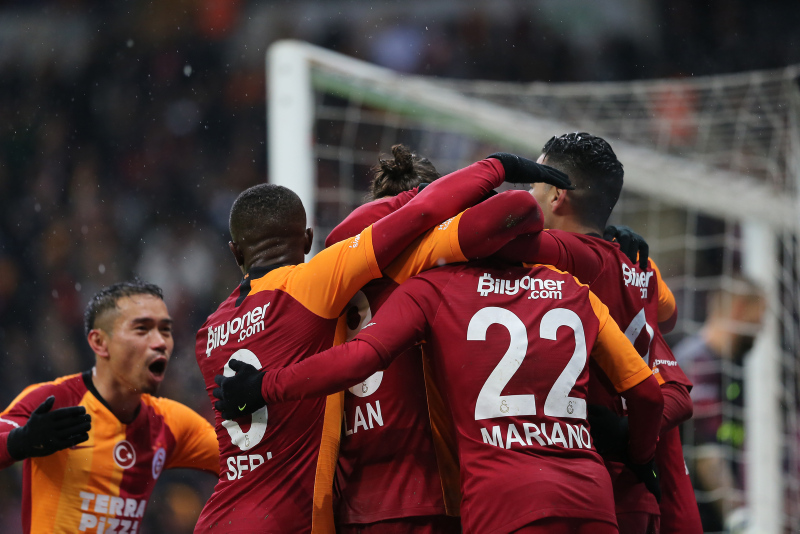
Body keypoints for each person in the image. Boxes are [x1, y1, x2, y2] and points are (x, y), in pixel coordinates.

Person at [194, 154, 571, 533]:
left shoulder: (208, 333)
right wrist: (488, 170)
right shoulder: (320, 282)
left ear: (235, 251)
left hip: (250, 511)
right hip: (406, 496)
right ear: (307, 240)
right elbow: (480, 212)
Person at [217, 251, 665, 534]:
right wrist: (640, 454)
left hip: (502, 499)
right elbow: (649, 394)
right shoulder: (572, 287)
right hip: (591, 496)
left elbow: (359, 358)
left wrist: (265, 386)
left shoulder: (436, 286)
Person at [489, 132, 700, 533]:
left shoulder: (562, 256)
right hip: (631, 497)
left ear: (557, 195)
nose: (527, 195)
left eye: (533, 184)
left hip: (575, 490)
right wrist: (633, 441)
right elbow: (674, 379)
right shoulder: (639, 268)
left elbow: (477, 236)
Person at [0, 279, 219, 534]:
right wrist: (21, 441)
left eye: (165, 330)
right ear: (100, 343)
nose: (160, 342)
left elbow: (245, 459)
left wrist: (253, 395)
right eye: (142, 329)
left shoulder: (171, 422)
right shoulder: (55, 400)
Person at [323, 145, 461, 533]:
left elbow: (337, 235)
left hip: (357, 495)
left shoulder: (337, 274)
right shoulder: (439, 270)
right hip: (427, 489)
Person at [672, 278, 765, 532]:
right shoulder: (699, 363)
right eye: (760, 317)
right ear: (739, 309)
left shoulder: (730, 366)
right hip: (693, 515)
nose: (762, 327)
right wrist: (737, 517)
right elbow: (706, 454)